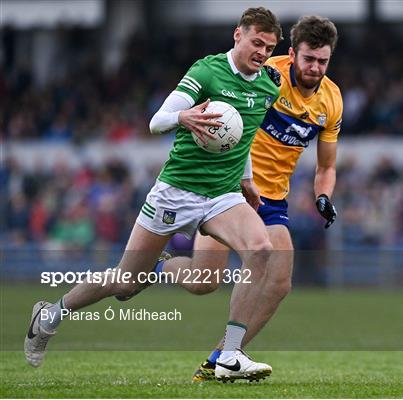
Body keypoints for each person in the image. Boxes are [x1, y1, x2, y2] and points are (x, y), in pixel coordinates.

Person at [24, 7, 283, 382]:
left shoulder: (267, 85)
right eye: (256, 42)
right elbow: (156, 120)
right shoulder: (206, 71)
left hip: (222, 195)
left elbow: (240, 140)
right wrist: (185, 117)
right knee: (124, 282)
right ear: (237, 35)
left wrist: (246, 180)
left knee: (258, 252)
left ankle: (229, 354)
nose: (261, 52)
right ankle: (51, 314)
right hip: (175, 193)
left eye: (269, 46)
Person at [173, 15, 342, 382]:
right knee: (204, 280)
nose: (315, 68)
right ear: (293, 53)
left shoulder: (332, 101)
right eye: (309, 59)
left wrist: (323, 196)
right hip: (229, 188)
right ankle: (156, 266)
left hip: (273, 201)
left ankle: (223, 355)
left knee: (280, 282)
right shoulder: (268, 75)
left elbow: (325, 166)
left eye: (323, 61)